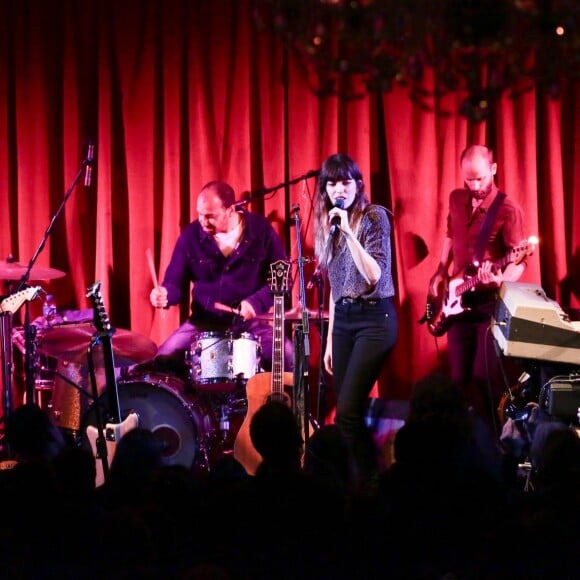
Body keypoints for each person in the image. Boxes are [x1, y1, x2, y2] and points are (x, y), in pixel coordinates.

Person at [314, 153, 398, 488]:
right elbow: (337, 287)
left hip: (375, 319)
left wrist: (349, 232)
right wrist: (331, 338)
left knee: (347, 412)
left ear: (358, 185)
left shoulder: (374, 217)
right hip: (345, 320)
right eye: (332, 183)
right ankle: (361, 480)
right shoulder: (328, 225)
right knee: (348, 411)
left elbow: (374, 275)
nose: (339, 189)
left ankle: (368, 483)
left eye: (346, 182)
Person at [429, 144, 527, 432]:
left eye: (480, 179)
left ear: (494, 169)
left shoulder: (507, 209)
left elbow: (519, 258)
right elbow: (450, 233)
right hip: (458, 302)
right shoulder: (456, 198)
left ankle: (496, 448)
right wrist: (440, 269)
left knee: (483, 381)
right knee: (458, 380)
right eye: (468, 179)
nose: (474, 186)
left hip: (487, 307)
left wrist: (502, 280)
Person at [149, 180, 293, 376]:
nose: (203, 221)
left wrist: (255, 303)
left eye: (210, 216)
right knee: (161, 361)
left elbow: (283, 279)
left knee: (288, 356)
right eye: (200, 215)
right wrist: (165, 294)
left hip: (251, 324)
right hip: (203, 322)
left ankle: (285, 407)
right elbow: (174, 283)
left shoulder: (261, 230)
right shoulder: (190, 236)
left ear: (230, 210)